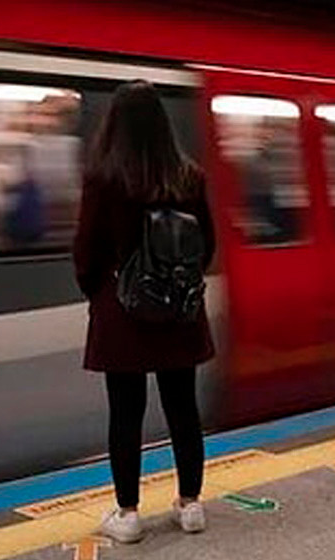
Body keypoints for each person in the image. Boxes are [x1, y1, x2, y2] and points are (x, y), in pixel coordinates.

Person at [72, 81, 215, 543]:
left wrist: (101, 293)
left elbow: (86, 249)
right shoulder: (188, 176)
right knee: (183, 408)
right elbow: (206, 244)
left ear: (115, 123)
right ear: (162, 125)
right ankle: (191, 505)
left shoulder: (104, 177)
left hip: (123, 309)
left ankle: (128, 514)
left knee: (125, 413)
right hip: (179, 309)